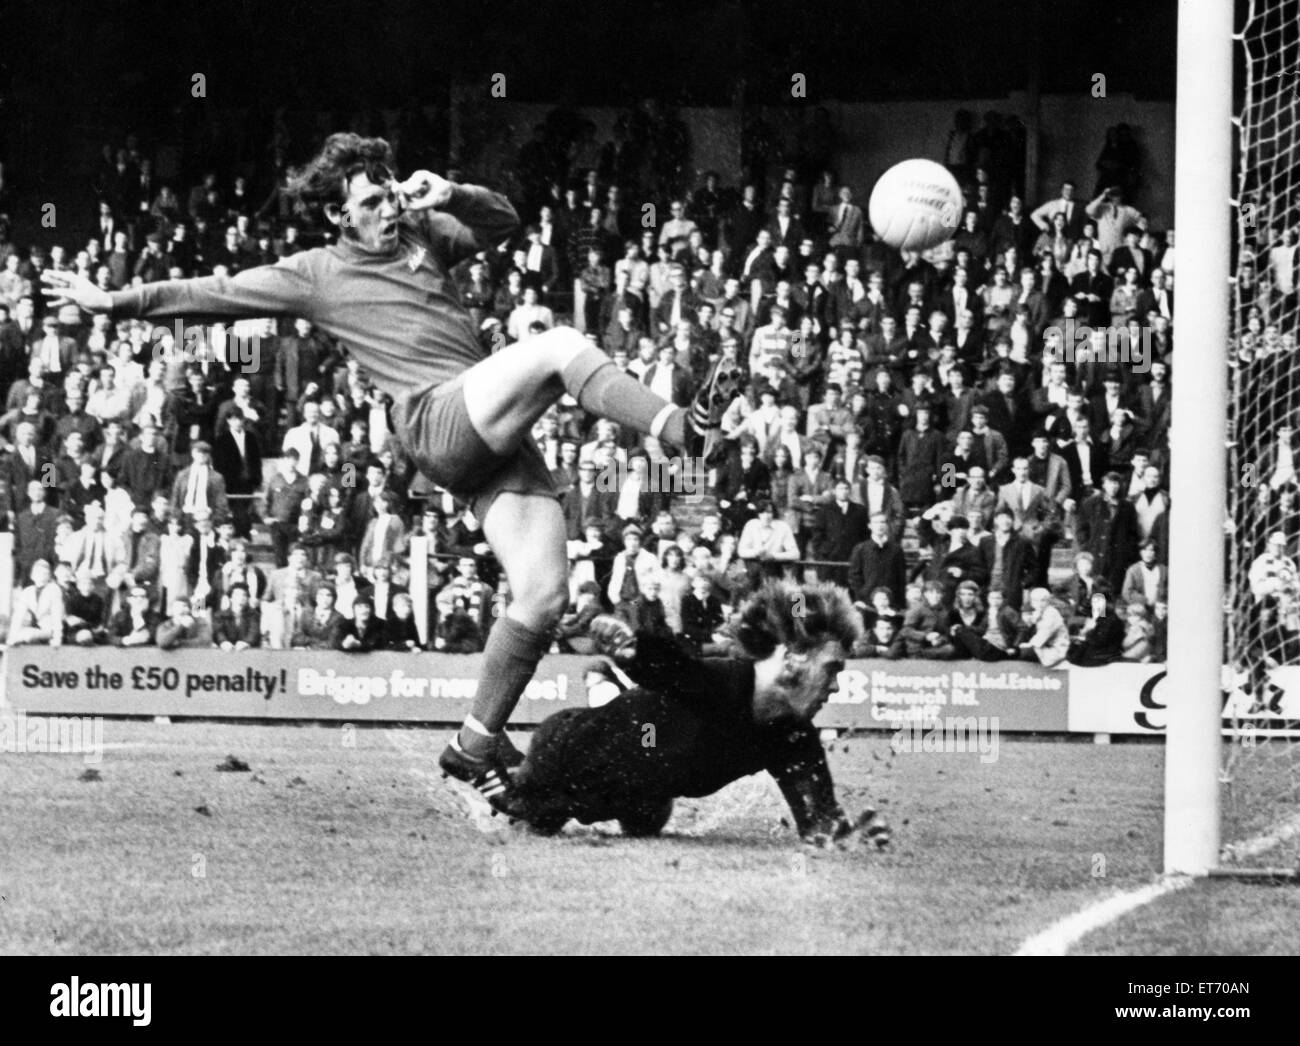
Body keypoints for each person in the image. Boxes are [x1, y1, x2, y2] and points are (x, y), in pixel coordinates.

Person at [45, 132, 702, 807]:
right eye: (371, 201)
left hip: (488, 439)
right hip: (436, 420)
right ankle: (679, 428)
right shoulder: (316, 273)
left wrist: (452, 192)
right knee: (561, 344)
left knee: (543, 597)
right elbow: (215, 292)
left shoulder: (421, 231)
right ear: (339, 214)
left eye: (390, 194)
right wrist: (114, 302)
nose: (389, 209)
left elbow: (503, 221)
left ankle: (474, 742)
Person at [502, 582, 891, 848]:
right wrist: (633, 649)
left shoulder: (793, 737)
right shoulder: (721, 681)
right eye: (832, 669)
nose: (836, 685)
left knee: (646, 824)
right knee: (530, 822)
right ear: (792, 660)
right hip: (569, 756)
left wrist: (847, 835)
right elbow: (676, 668)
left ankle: (602, 684)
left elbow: (820, 823)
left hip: (645, 796)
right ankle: (587, 689)